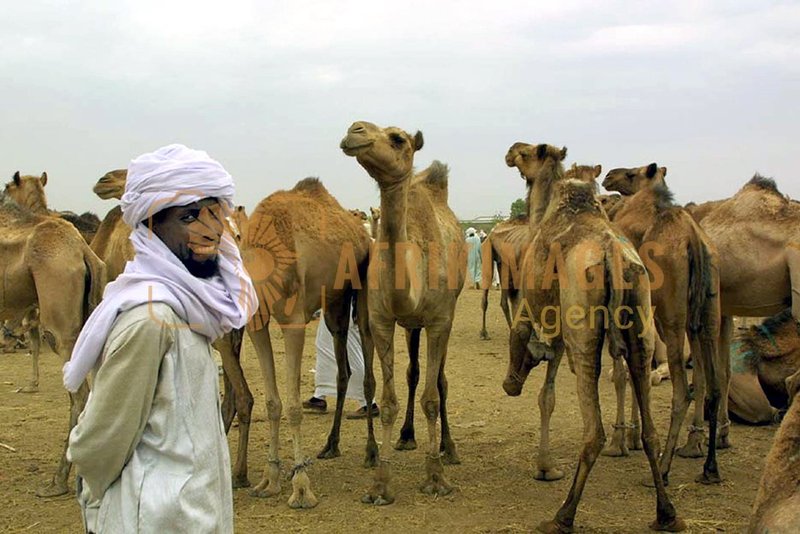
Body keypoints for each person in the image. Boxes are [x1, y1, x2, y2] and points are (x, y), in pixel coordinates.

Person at [64, 144, 257, 533]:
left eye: (215, 214)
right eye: (189, 217)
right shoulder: (150, 320)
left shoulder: (194, 312)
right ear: (151, 228)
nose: (211, 230)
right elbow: (97, 444)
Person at [303, 307, 379, 419]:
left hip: (349, 300)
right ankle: (319, 396)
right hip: (334, 300)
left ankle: (368, 403)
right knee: (324, 343)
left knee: (351, 349)